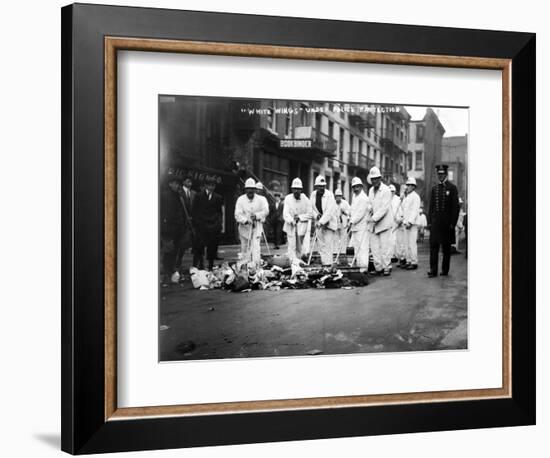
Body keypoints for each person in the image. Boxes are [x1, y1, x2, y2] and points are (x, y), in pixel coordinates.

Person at [428, 164, 460, 277]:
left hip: (447, 224)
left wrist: (453, 223)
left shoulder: (452, 188)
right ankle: (433, 270)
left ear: (446, 174)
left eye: (442, 174)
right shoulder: (434, 189)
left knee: (446, 249)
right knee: (433, 247)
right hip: (436, 224)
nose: (440, 176)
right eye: (438, 174)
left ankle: (445, 270)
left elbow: (455, 207)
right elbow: (431, 207)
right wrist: (429, 222)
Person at [234, 178, 269, 266]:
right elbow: (237, 214)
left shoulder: (261, 199)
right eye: (248, 189)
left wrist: (257, 215)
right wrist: (245, 220)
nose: (250, 191)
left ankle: (256, 267)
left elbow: (266, 211)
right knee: (245, 249)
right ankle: (245, 267)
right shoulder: (240, 200)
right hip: (244, 229)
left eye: (252, 189)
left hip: (256, 227)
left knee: (256, 248)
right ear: (245, 189)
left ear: (255, 189)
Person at [192, 176, 223, 271]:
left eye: (213, 185)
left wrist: (218, 224)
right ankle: (199, 265)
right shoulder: (199, 196)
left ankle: (210, 266)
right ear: (205, 185)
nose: (211, 187)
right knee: (199, 247)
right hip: (201, 225)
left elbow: (219, 212)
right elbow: (195, 210)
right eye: (209, 185)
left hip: (213, 225)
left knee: (212, 247)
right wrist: (197, 223)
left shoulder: (218, 197)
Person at [366, 167, 393, 276]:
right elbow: (369, 203)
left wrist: (373, 218)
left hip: (384, 223)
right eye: (372, 179)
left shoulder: (386, 190)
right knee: (374, 247)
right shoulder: (371, 190)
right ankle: (378, 268)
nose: (374, 181)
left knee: (385, 247)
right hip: (374, 224)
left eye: (376, 179)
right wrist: (369, 208)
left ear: (380, 178)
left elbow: (384, 208)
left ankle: (387, 267)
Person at [160, 176, 187, 283]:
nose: (177, 186)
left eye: (178, 184)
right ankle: (166, 273)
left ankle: (170, 272)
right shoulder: (165, 195)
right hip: (168, 229)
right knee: (168, 251)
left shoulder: (178, 196)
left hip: (177, 229)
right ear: (170, 184)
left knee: (174, 251)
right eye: (175, 183)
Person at [310, 176, 338, 266]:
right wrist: (316, 216)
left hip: (329, 223)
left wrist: (321, 222)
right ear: (316, 186)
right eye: (319, 186)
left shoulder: (330, 195)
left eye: (323, 186)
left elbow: (329, 211)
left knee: (328, 245)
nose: (322, 188)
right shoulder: (313, 195)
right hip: (319, 222)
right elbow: (310, 208)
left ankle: (329, 264)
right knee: (321, 245)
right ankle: (324, 263)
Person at [283, 178, 311, 262]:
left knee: (301, 247)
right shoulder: (288, 198)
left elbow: (310, 214)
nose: (296, 191)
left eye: (298, 189)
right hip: (291, 226)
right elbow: (285, 213)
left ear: (301, 189)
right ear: (292, 189)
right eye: (294, 189)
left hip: (302, 227)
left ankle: (300, 262)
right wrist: (291, 220)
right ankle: (292, 263)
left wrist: (300, 217)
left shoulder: (305, 199)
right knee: (291, 246)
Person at [348, 177, 371, 270]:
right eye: (354, 187)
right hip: (355, 227)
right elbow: (352, 210)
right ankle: (358, 266)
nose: (355, 189)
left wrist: (351, 221)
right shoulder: (354, 196)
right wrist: (349, 218)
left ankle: (364, 267)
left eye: (357, 187)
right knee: (357, 247)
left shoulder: (363, 198)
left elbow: (360, 213)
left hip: (362, 227)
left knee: (363, 247)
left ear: (361, 187)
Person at [401, 177, 421, 270]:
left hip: (412, 224)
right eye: (407, 185)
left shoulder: (416, 197)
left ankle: (414, 262)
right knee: (406, 243)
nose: (408, 187)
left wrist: (410, 222)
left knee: (412, 243)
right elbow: (403, 209)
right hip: (405, 223)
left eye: (410, 185)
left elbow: (414, 211)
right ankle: (408, 260)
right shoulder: (406, 197)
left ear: (414, 187)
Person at [388, 184, 405, 266]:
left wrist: (400, 219)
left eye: (392, 191)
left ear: (394, 191)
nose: (391, 193)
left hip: (397, 222)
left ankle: (401, 257)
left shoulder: (398, 199)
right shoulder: (386, 200)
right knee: (390, 240)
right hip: (389, 223)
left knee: (399, 241)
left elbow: (401, 210)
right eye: (390, 191)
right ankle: (391, 256)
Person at [334, 188, 351, 257]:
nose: (338, 198)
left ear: (341, 196)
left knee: (343, 238)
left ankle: (343, 253)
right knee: (335, 239)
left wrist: (345, 212)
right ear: (335, 196)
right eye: (337, 196)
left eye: (339, 196)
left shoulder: (345, 203)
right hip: (335, 223)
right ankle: (335, 253)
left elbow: (350, 212)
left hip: (343, 223)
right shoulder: (332, 203)